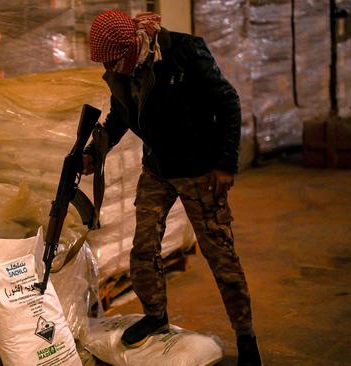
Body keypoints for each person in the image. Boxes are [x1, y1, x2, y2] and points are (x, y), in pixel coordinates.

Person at [82, 9, 262, 366]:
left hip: (199, 170)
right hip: (158, 169)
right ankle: (156, 314)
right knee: (144, 246)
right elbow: (120, 116)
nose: (112, 68)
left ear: (133, 44)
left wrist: (225, 163)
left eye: (115, 60)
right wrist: (94, 153)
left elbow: (228, 102)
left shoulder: (184, 51)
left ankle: (245, 334)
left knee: (220, 255)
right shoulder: (124, 70)